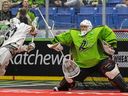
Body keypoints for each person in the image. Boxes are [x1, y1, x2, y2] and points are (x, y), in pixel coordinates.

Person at [48, 19, 128, 92]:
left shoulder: (98, 31)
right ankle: (63, 87)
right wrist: (55, 45)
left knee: (111, 70)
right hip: (82, 65)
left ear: (90, 27)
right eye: (82, 27)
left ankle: (124, 87)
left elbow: (108, 33)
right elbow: (57, 39)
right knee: (70, 76)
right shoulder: (73, 34)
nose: (83, 28)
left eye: (85, 27)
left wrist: (111, 44)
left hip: (100, 61)